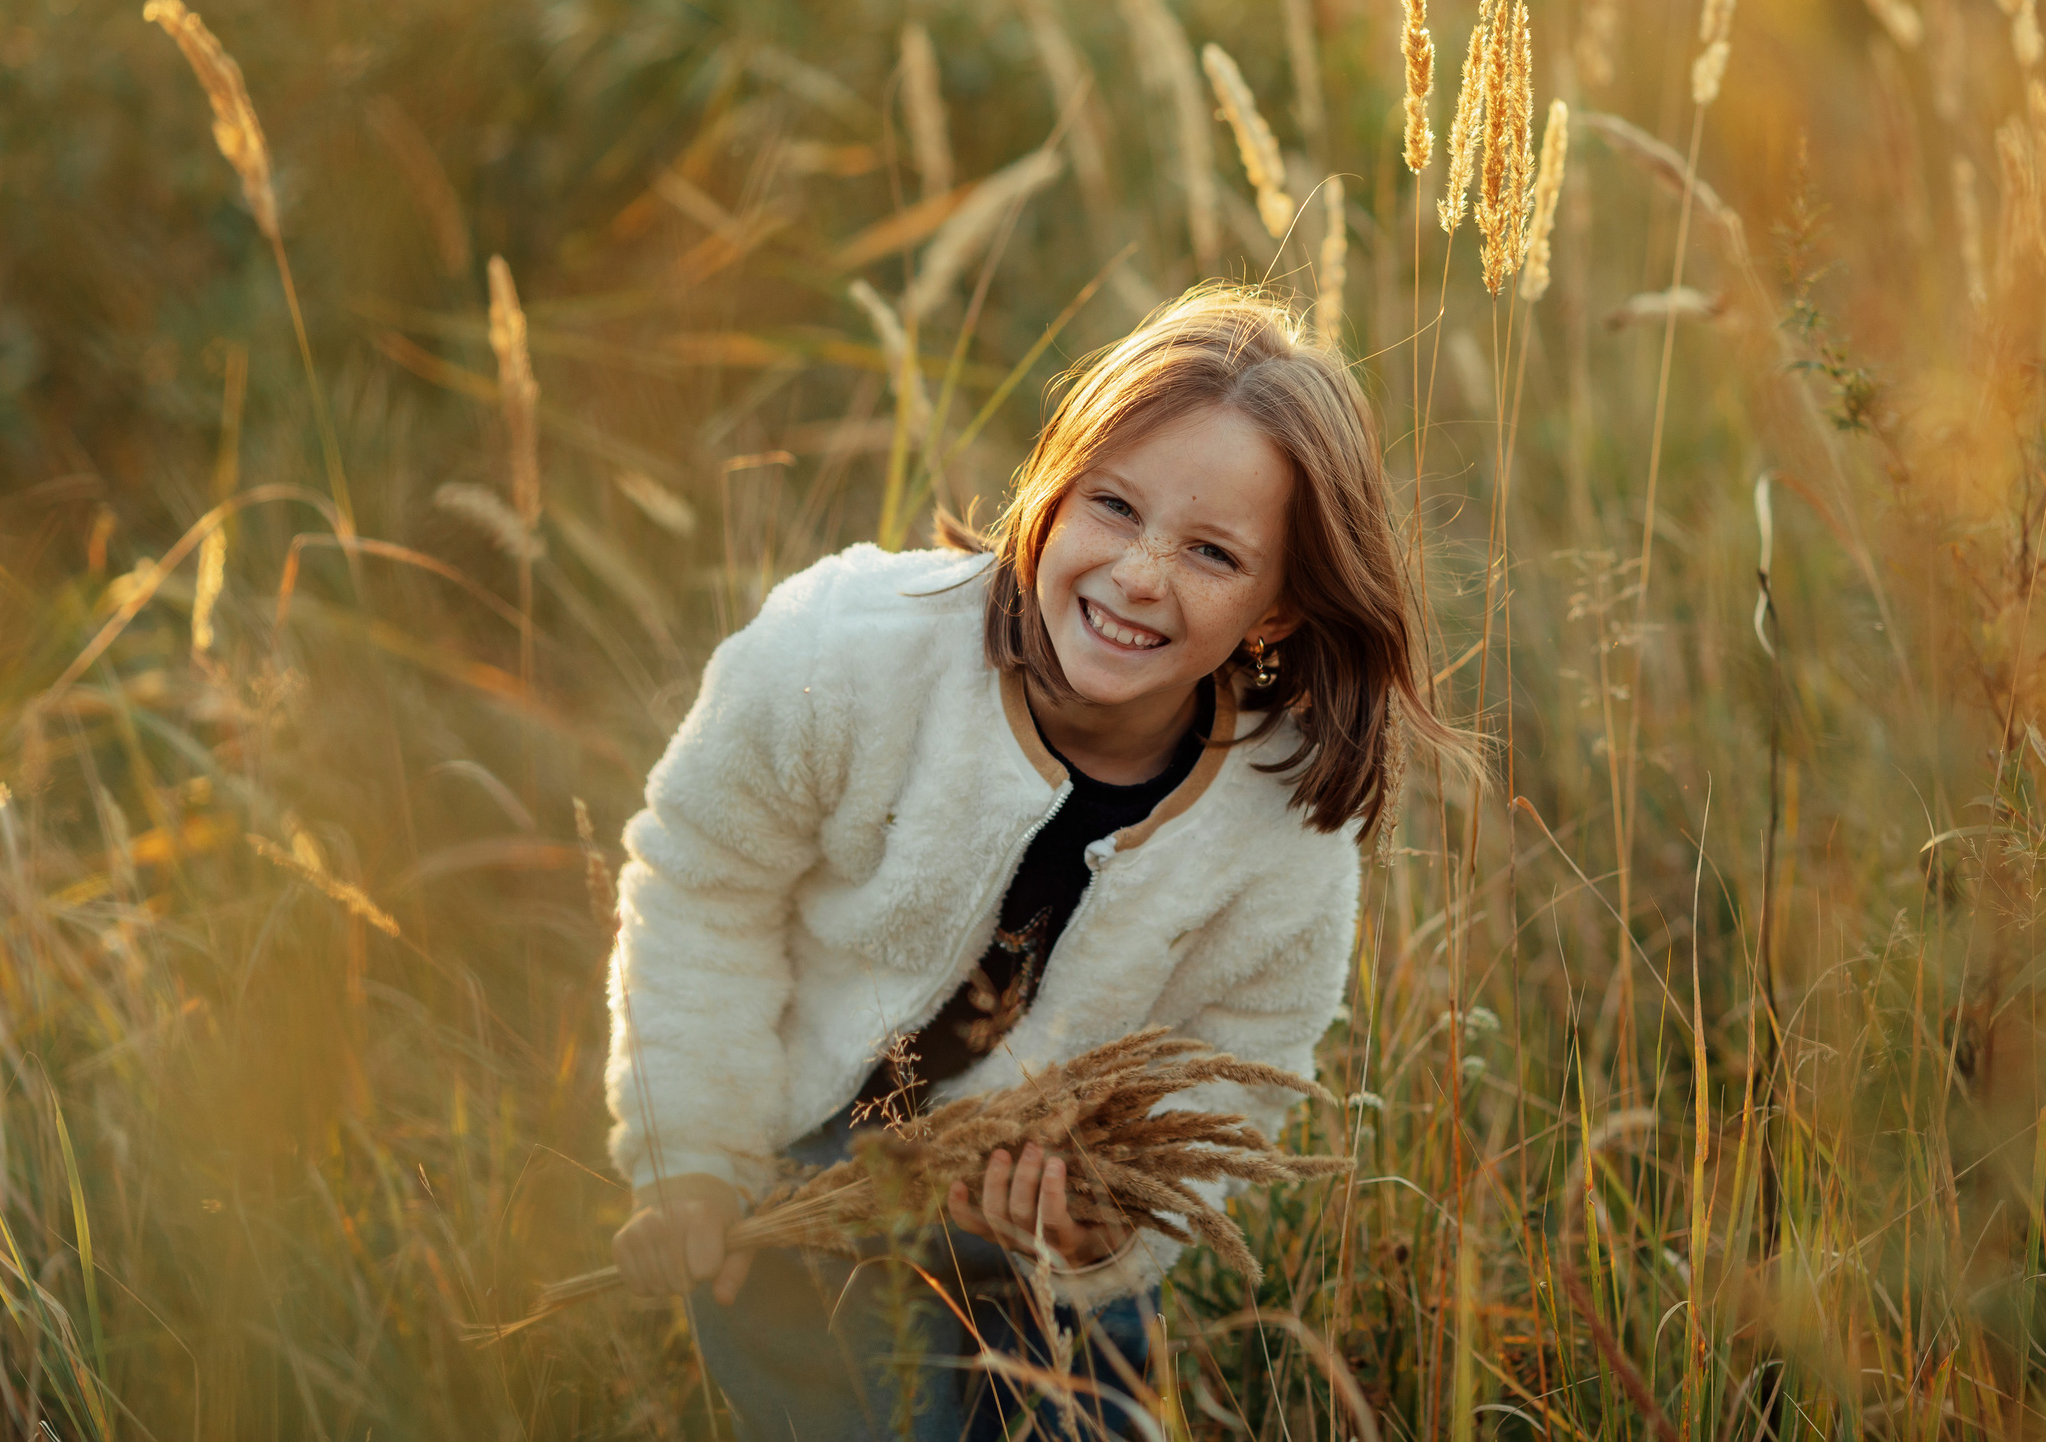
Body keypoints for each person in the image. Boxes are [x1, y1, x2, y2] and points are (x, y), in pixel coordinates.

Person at [604, 287, 1453, 1437]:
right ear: (1050, 492)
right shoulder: (847, 653)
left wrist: (1107, 1235)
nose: (1141, 574)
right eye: (1113, 505)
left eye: (1211, 551)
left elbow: (1233, 1080)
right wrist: (691, 1155)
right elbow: (704, 884)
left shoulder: (1281, 835)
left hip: (1040, 1234)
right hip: (789, 1177)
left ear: (1278, 607)